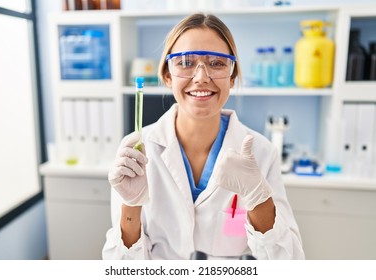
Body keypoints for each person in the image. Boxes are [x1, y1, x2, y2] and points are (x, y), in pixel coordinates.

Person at [102, 13, 304, 260]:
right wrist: (131, 205)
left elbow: (291, 263)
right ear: (167, 75)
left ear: (232, 77)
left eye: (217, 63)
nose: (201, 77)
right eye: (185, 62)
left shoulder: (262, 153)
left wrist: (258, 199)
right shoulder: (138, 150)